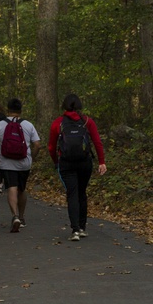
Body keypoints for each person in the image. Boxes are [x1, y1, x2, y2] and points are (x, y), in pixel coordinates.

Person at [48, 94, 107, 242]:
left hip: (66, 163)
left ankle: (74, 230)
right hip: (84, 162)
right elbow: (97, 142)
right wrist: (101, 161)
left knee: (72, 193)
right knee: (82, 192)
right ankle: (82, 228)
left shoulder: (58, 123)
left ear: (64, 106)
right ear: (80, 106)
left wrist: (56, 161)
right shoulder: (87, 121)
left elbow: (51, 146)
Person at [0, 98, 40, 233]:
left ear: (8, 109)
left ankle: (15, 216)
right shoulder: (28, 125)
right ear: (20, 110)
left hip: (7, 162)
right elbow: (37, 144)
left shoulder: (0, 125)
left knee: (12, 187)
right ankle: (22, 217)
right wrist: (32, 158)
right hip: (24, 162)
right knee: (22, 189)